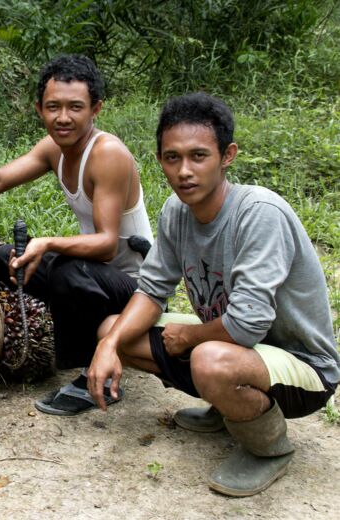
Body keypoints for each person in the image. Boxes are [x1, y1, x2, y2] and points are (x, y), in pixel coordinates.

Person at [87, 92, 339, 496]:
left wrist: (189, 337)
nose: (184, 171)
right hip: (237, 350)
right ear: (159, 161)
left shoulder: (259, 214)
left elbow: (248, 324)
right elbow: (152, 289)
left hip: (304, 366)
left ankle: (268, 448)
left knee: (209, 358)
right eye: (172, 158)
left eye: (199, 156)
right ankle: (228, 407)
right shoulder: (175, 211)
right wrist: (110, 346)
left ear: (227, 156)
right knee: (112, 330)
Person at [0, 55, 153, 415]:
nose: (63, 117)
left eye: (75, 107)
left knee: (68, 270)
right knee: (3, 259)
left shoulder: (107, 153)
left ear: (95, 109)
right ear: (39, 108)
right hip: (98, 273)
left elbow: (105, 243)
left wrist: (49, 242)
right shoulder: (55, 148)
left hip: (136, 284)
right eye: (53, 107)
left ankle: (95, 375)